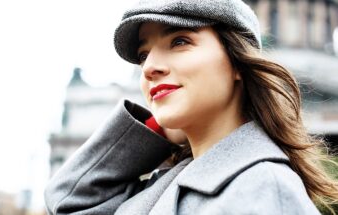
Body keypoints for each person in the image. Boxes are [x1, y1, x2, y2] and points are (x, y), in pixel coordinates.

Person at [44, 0, 338, 214]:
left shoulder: (264, 189)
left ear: (237, 61)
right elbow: (71, 202)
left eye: (180, 41)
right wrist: (157, 130)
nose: (149, 68)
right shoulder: (177, 181)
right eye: (143, 53)